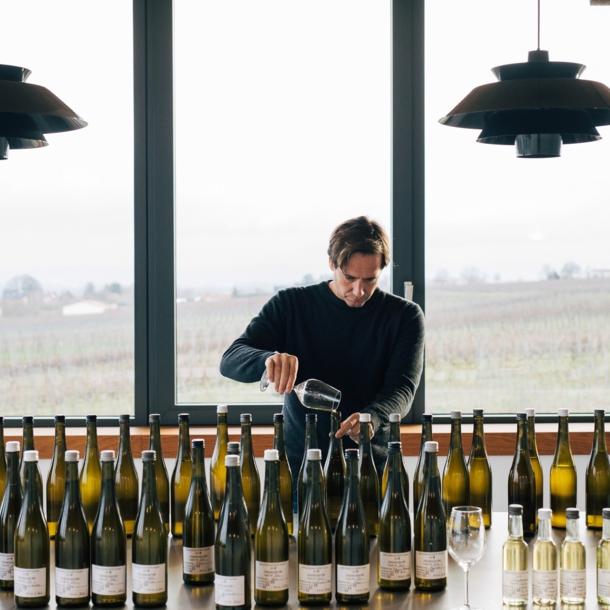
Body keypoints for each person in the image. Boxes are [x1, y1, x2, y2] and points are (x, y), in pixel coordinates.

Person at [219, 216, 425, 487]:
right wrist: (267, 360)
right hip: (300, 469)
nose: (359, 290)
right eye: (349, 277)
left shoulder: (404, 316)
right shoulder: (291, 305)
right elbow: (230, 359)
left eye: (370, 279)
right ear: (332, 263)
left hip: (370, 470)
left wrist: (371, 417)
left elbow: (402, 388)